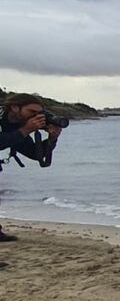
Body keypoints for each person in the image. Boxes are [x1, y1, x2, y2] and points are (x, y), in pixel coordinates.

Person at [0, 93, 64, 262]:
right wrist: (26, 129)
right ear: (14, 107)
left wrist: (52, 138)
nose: (36, 116)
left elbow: (34, 154)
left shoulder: (16, 124)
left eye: (39, 112)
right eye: (32, 111)